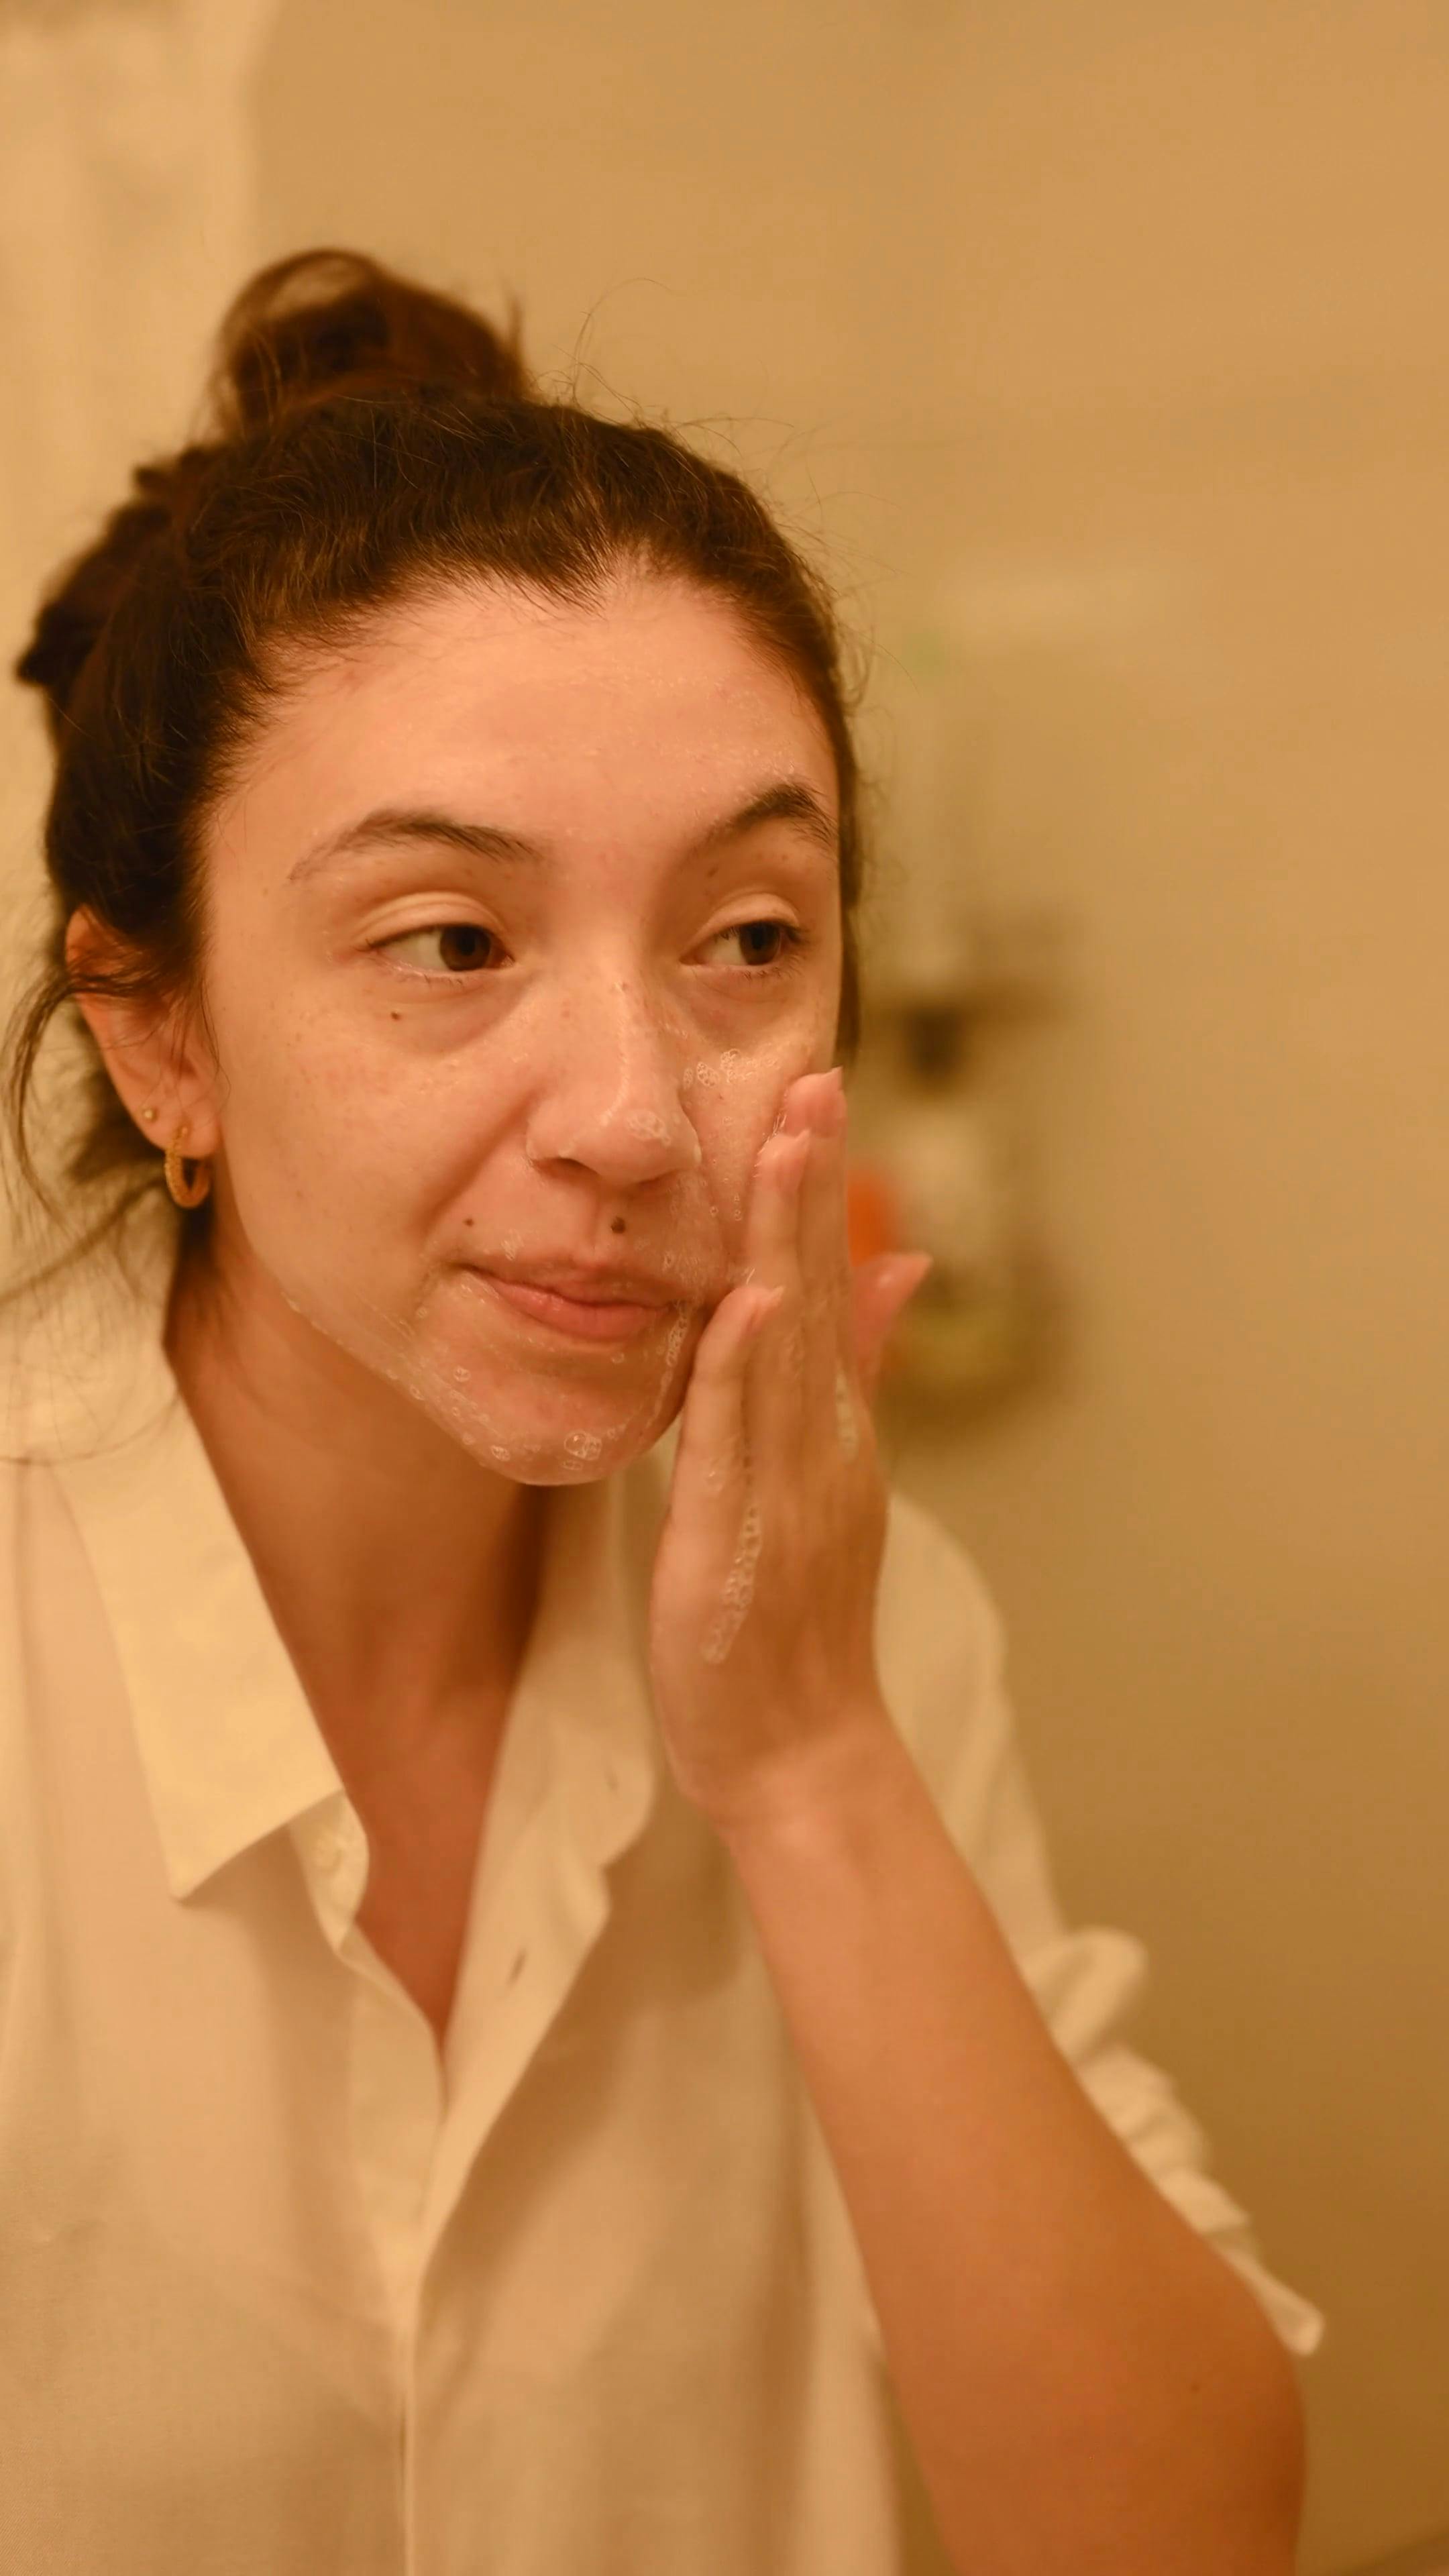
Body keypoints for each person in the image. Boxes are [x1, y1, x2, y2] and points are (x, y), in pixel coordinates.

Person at [0, 250, 1323, 2575]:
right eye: (451, 943)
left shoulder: (848, 1619)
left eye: (743, 940)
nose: (633, 1120)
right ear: (159, 1036)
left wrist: (811, 1769)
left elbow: (1178, 2534)